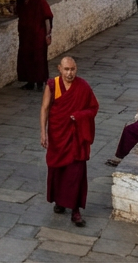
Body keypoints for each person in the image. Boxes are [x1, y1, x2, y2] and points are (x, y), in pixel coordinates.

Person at [40, 56, 99, 227]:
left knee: (75, 173)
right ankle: (59, 201)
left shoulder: (83, 86)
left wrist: (80, 116)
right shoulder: (52, 85)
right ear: (59, 68)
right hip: (58, 135)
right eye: (66, 69)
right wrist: (43, 132)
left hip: (76, 137)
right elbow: (44, 108)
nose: (70, 73)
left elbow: (93, 107)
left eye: (72, 69)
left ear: (76, 69)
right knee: (58, 170)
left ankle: (75, 211)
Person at [16, 0, 53, 90]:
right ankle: (30, 82)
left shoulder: (39, 0)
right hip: (25, 36)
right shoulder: (21, 1)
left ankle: (40, 82)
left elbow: (47, 18)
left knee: (38, 59)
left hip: (38, 35)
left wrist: (48, 35)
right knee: (25, 58)